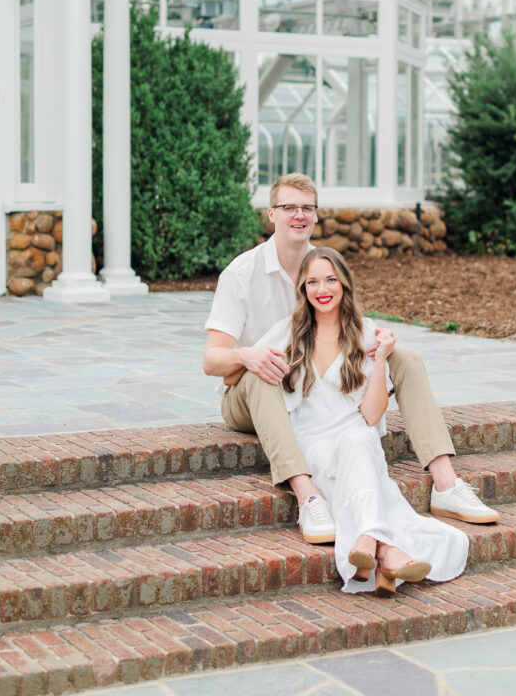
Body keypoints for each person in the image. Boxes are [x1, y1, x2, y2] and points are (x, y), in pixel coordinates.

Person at [203, 172, 499, 546]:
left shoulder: (321, 266)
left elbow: (343, 325)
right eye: (288, 207)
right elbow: (211, 361)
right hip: (248, 395)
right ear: (271, 214)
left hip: (311, 395)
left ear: (315, 214)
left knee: (405, 357)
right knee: (262, 374)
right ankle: (308, 496)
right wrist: (248, 356)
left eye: (306, 208)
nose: (298, 215)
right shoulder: (241, 273)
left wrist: (379, 347)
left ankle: (445, 483)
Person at [256, 247, 469, 595]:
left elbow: (370, 416)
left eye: (330, 279)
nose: (322, 289)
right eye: (312, 282)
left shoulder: (366, 334)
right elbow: (247, 368)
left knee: (359, 439)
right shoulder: (288, 333)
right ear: (303, 289)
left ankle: (369, 544)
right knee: (362, 469)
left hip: (355, 435)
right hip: (313, 442)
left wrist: (382, 359)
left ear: (343, 284)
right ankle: (386, 551)